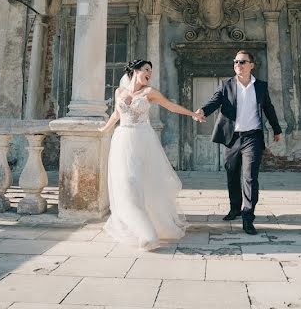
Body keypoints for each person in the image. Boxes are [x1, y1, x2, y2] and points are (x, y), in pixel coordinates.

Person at [98, 59, 205, 251]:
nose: (150, 74)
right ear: (136, 71)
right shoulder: (119, 92)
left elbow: (170, 106)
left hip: (143, 141)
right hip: (122, 140)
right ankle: (145, 232)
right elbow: (116, 114)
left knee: (144, 184)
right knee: (126, 184)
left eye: (151, 71)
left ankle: (150, 234)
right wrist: (104, 129)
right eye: (147, 70)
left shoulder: (150, 93)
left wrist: (192, 114)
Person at [195, 50, 282, 235]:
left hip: (252, 137)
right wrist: (202, 111)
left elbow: (268, 108)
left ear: (252, 64)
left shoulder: (260, 86)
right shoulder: (226, 84)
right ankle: (235, 208)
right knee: (232, 174)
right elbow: (214, 101)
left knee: (250, 177)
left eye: (242, 62)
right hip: (232, 137)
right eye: (235, 62)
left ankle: (248, 217)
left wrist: (276, 128)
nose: (238, 65)